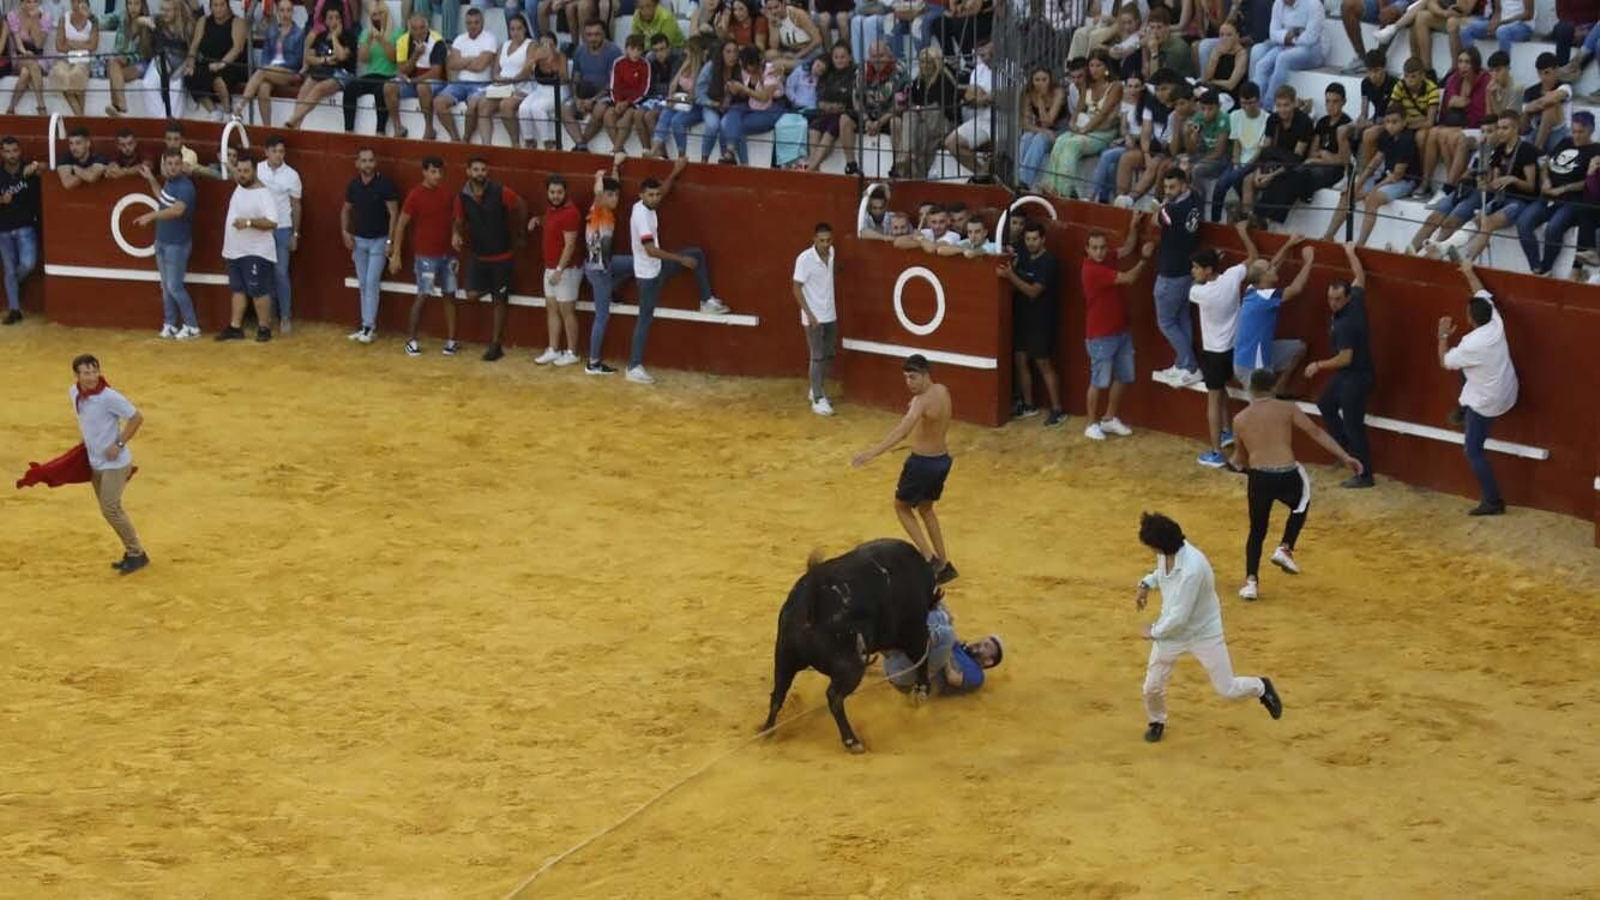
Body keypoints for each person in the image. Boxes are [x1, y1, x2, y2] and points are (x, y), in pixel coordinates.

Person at [1134, 511, 1282, 742]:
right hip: (1172, 632)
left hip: (1203, 632)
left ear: (1161, 545)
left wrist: (1153, 632)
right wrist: (1146, 583)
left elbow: (1180, 617)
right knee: (1151, 687)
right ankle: (1157, 720)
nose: (1152, 552)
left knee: (1227, 689)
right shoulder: (1168, 552)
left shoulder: (1193, 568)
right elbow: (1162, 575)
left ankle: (1261, 687)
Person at [1228, 369, 1363, 600]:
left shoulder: (1239, 419)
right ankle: (1285, 547)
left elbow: (1239, 459)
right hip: (1286, 473)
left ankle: (1251, 582)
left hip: (1259, 478)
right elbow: (1316, 432)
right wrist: (1345, 456)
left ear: (1251, 390)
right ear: (1274, 387)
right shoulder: (1287, 408)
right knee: (1302, 502)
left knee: (1257, 531)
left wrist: (1230, 463)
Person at [850, 354, 957, 585]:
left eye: (913, 377)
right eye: (907, 378)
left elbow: (902, 432)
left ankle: (930, 560)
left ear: (926, 375)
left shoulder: (921, 402)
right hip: (942, 460)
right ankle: (945, 564)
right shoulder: (942, 391)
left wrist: (872, 453)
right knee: (926, 508)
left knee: (901, 507)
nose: (909, 382)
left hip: (922, 463)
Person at [626, 161, 731, 383]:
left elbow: (663, 190)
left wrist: (675, 171)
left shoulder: (645, 205)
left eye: (656, 195)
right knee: (645, 318)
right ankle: (633, 366)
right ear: (641, 195)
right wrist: (680, 259)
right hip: (648, 276)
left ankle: (706, 301)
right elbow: (651, 250)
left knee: (698, 254)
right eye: (651, 195)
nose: (656, 198)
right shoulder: (641, 217)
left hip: (656, 269)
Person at [1439, 258, 1518, 516]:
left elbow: (1445, 361)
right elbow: (1481, 293)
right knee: (1468, 367)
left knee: (1473, 450)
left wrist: (1442, 336)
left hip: (1487, 403)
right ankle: (1463, 407)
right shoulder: (1495, 321)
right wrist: (1469, 272)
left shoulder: (1469, 344)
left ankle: (1493, 501)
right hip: (1508, 390)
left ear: (1470, 318)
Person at [1187, 222, 1261, 468]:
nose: (1193, 271)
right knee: (1224, 393)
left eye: (1197, 268)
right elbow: (1253, 257)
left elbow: (1197, 287)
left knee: (1213, 399)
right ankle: (1228, 430)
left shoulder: (1199, 293)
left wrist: (1211, 266)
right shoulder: (1231, 277)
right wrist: (1242, 233)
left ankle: (1216, 452)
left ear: (1207, 270)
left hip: (1213, 352)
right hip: (1233, 348)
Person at [68, 355, 149, 575]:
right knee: (110, 509)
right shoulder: (74, 393)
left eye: (95, 371)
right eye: (86, 373)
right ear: (77, 376)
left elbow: (136, 418)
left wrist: (119, 443)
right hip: (95, 462)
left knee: (110, 509)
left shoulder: (109, 397)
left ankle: (136, 553)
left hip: (115, 463)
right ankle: (133, 551)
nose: (92, 377)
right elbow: (86, 421)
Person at [1305, 244, 1376, 488]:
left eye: (1336, 299)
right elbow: (1360, 276)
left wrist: (1318, 365)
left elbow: (1345, 358)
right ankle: (1346, 451)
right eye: (1329, 298)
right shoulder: (1354, 299)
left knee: (1354, 425)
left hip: (1355, 376)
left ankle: (1364, 475)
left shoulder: (1347, 323)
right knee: (1325, 403)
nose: (1332, 303)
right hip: (1348, 375)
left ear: (1345, 298)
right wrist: (1350, 252)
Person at [1080, 215, 1152, 441]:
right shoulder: (1092, 270)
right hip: (1100, 335)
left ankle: (1109, 419)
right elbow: (1129, 278)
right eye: (1095, 248)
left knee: (1124, 376)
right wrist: (1144, 260)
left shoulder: (1106, 259)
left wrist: (1132, 227)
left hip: (1120, 331)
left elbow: (1127, 248)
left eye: (1102, 247)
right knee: (1098, 381)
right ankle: (1091, 423)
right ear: (1087, 250)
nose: (1100, 252)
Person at [453, 156, 527, 362]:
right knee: (471, 294)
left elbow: (521, 205)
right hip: (480, 256)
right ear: (468, 171)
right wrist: (456, 233)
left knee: (499, 301)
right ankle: (495, 290)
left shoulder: (500, 191)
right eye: (476, 170)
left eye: (483, 169)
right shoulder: (462, 196)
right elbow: (459, 220)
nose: (480, 173)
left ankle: (495, 344)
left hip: (502, 255)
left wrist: (521, 233)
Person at [392, 156, 462, 357]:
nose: (437, 176)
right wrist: (396, 253)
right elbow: (402, 224)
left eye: (440, 172)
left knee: (449, 294)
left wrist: (456, 233)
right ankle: (411, 340)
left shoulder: (447, 194)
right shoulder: (415, 195)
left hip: (447, 255)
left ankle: (451, 341)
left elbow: (456, 220)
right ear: (424, 172)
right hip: (426, 256)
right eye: (433, 172)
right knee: (423, 295)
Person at [999, 221, 1065, 426]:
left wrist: (1010, 276)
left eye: (1035, 239)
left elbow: (1033, 292)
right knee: (1021, 361)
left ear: (1043, 239)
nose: (1031, 243)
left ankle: (1057, 409)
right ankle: (1029, 405)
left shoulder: (1048, 262)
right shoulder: (1023, 258)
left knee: (1043, 363)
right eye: (1028, 239)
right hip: (1023, 319)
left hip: (1041, 321)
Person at [133, 149, 200, 340]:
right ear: (164, 165)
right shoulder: (170, 184)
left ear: (181, 165)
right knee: (166, 286)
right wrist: (151, 180)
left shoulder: (186, 187)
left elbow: (178, 211)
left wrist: (152, 215)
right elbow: (163, 199)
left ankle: (192, 326)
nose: (172, 168)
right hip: (163, 241)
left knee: (174, 286)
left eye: (176, 164)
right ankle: (170, 324)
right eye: (169, 164)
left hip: (177, 245)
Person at [1232, 237, 1313, 394]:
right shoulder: (1264, 297)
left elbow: (1274, 263)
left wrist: (1288, 244)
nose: (1274, 269)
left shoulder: (1251, 288)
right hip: (1252, 366)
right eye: (1270, 270)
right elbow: (1295, 289)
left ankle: (1280, 385)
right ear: (1262, 277)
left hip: (1260, 354)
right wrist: (1309, 262)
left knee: (1299, 348)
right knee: (1262, 408)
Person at [215, 156, 279, 344]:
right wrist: (225, 161)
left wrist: (249, 222)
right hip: (235, 249)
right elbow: (235, 172)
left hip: (256, 251)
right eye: (239, 171)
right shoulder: (240, 184)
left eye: (246, 171)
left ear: (255, 172)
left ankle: (264, 328)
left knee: (258, 290)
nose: (241, 175)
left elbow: (273, 222)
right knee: (238, 289)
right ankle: (235, 327)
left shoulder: (263, 194)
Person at [342, 148, 400, 344]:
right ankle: (366, 325)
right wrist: (345, 231)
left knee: (371, 282)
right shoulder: (354, 185)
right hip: (359, 240)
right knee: (364, 284)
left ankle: (369, 326)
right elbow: (345, 209)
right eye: (364, 161)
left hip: (379, 240)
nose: (367, 164)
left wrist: (390, 241)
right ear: (357, 163)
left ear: (375, 163)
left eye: (370, 160)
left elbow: (394, 213)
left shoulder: (385, 184)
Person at [881, 602, 1003, 695]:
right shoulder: (959, 648)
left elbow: (953, 678)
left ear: (989, 661)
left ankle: (892, 639)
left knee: (946, 631)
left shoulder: (977, 676)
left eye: (985, 646)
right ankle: (887, 639)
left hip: (909, 681)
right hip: (899, 664)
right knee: (939, 608)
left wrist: (948, 646)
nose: (979, 643)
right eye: (982, 641)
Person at [1151, 167, 1202, 387]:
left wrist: (1161, 204)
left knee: (1166, 322)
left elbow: (1156, 219)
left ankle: (1190, 365)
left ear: (1183, 185)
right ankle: (1183, 364)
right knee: (1182, 318)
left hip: (1171, 274)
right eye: (1166, 187)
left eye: (1172, 187)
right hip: (1187, 272)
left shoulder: (1173, 210)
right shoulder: (1196, 199)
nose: (1168, 191)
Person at [582, 154, 631, 376]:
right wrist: (599, 177)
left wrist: (615, 166)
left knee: (637, 264)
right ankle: (593, 362)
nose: (615, 199)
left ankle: (612, 289)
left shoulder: (603, 211)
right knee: (602, 317)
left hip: (604, 266)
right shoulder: (599, 208)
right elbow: (599, 192)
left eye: (617, 195)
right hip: (599, 271)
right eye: (611, 196)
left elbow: (612, 186)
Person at [530, 174, 583, 366]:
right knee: (552, 308)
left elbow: (569, 245)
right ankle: (553, 349)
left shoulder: (571, 213)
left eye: (559, 192)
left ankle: (572, 352)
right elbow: (552, 223)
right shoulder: (552, 210)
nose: (555, 195)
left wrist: (559, 270)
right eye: (552, 192)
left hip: (566, 270)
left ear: (565, 192)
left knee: (566, 310)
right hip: (551, 268)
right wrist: (538, 219)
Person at [256, 137, 302, 333]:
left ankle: (284, 316)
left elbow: (296, 206)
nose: (278, 155)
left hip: (283, 228)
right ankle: (269, 315)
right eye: (275, 151)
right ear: (266, 152)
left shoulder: (291, 175)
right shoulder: (257, 168)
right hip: (261, 228)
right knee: (264, 273)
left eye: (281, 151)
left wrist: (296, 234)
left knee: (281, 273)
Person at [433, 7, 499, 143]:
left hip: (482, 84)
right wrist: (472, 59)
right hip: (460, 83)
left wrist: (462, 61)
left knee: (472, 105)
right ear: (465, 23)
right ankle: (455, 137)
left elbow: (479, 67)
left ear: (482, 22)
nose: (473, 26)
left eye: (476, 22)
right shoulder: (459, 39)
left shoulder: (490, 38)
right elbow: (451, 64)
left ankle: (465, 139)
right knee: (438, 102)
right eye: (469, 23)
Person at [793, 222, 838, 416]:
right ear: (814, 240)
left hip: (830, 313)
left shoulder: (832, 252)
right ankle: (818, 398)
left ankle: (816, 387)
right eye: (821, 241)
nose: (825, 244)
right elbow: (796, 288)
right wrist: (810, 315)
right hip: (814, 317)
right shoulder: (804, 259)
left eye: (828, 240)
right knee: (817, 356)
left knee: (828, 354)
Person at [234, 0, 303, 126]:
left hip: (290, 72)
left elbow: (297, 61)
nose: (285, 14)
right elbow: (265, 55)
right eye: (282, 10)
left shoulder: (299, 33)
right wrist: (270, 68)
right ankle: (267, 127)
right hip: (270, 72)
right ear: (277, 11)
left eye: (288, 10)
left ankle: (239, 106)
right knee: (263, 88)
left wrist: (274, 67)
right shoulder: (272, 31)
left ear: (292, 12)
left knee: (263, 71)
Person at [1249, 0, 1323, 106]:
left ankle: (1267, 106)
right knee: (1262, 64)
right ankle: (1254, 105)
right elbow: (1273, 33)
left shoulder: (1314, 4)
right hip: (1285, 45)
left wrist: (1286, 37)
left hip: (1312, 50)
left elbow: (1310, 38)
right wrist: (1295, 33)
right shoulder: (1278, 3)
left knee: (1283, 58)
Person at [386, 13, 448, 140]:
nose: (419, 32)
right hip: (412, 81)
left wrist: (413, 80)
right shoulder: (403, 41)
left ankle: (429, 129)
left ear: (427, 27)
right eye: (415, 28)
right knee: (389, 86)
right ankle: (398, 127)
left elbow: (436, 72)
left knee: (422, 87)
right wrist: (415, 55)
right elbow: (402, 70)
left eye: (422, 28)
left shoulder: (437, 41)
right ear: (410, 29)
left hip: (435, 82)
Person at [0, 136, 41, 326]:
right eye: (7, 151)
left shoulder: (29, 169)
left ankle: (15, 283)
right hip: (3, 229)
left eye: (15, 151)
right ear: (2, 153)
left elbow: (49, 167)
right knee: (9, 269)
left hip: (26, 227)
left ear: (20, 151)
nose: (11, 155)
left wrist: (37, 165)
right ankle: (14, 310)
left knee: (28, 264)